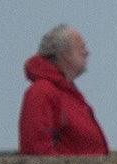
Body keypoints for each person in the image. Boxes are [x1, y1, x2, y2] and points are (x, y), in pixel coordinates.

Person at [18, 24, 107, 156]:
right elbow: (36, 150)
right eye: (81, 47)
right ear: (65, 54)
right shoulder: (42, 92)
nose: (87, 52)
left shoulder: (69, 95)